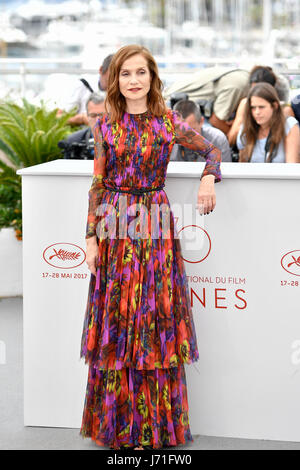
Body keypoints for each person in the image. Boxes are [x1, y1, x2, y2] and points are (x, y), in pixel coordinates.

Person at [80, 44, 221, 450]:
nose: (134, 80)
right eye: (126, 74)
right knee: (119, 322)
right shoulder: (105, 126)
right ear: (115, 80)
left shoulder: (167, 123)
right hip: (114, 225)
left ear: (152, 77)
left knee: (153, 322)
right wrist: (90, 237)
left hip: (156, 227)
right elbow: (98, 183)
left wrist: (208, 178)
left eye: (140, 72)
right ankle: (117, 426)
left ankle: (154, 428)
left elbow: (211, 150)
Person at [164, 66, 249, 136]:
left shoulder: (245, 76)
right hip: (175, 104)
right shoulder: (239, 87)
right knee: (215, 138)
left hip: (176, 97)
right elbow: (216, 120)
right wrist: (232, 138)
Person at [237, 82, 300, 163]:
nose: (257, 112)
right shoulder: (245, 128)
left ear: (275, 106)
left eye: (261, 107)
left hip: (281, 175)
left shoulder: (289, 126)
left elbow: (292, 166)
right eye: (253, 108)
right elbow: (242, 165)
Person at [58, 54, 114, 127]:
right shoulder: (82, 85)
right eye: (112, 76)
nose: (115, 82)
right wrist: (81, 119)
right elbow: (58, 116)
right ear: (101, 70)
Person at [227, 65, 277, 147]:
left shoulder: (284, 111)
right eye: (253, 108)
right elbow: (232, 138)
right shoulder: (246, 103)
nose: (257, 112)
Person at [59, 92, 105, 159]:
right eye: (93, 115)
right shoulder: (72, 141)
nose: (98, 120)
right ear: (87, 116)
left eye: (102, 115)